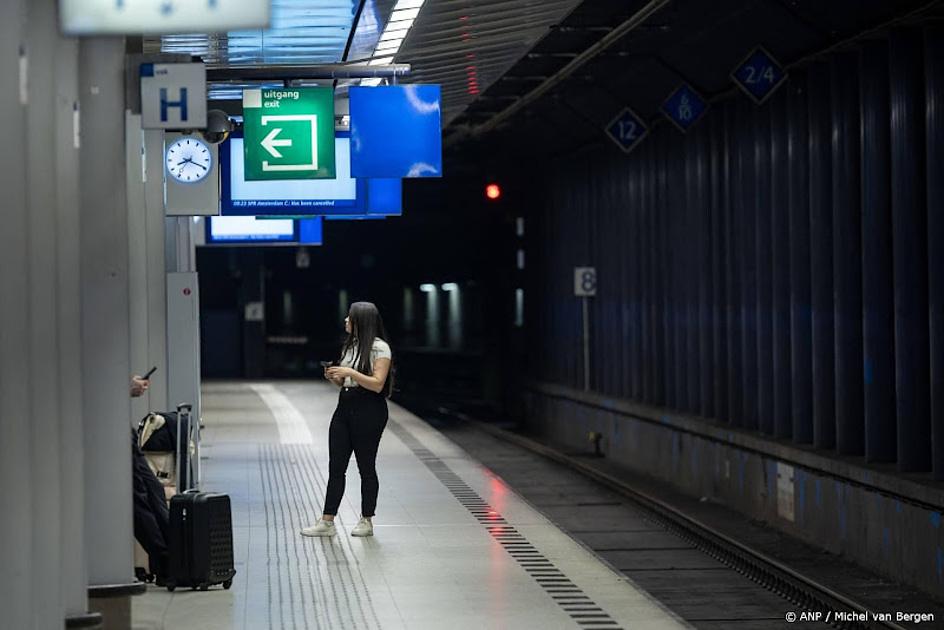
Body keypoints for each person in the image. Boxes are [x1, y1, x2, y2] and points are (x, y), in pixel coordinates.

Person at [302, 302, 393, 538]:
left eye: (349, 317)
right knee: (336, 467)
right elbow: (347, 382)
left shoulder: (379, 348)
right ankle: (327, 521)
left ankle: (366, 520)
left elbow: (377, 384)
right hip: (345, 407)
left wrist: (350, 373)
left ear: (360, 321)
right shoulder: (350, 346)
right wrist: (335, 377)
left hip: (370, 410)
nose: (345, 320)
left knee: (366, 466)